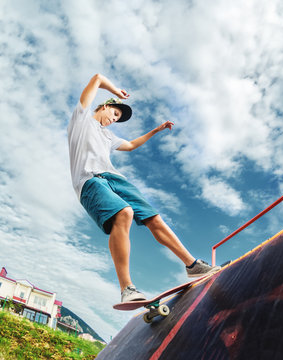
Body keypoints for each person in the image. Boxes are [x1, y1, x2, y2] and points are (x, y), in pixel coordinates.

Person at [67, 73, 220, 303]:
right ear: (106, 106)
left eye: (118, 119)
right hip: (89, 181)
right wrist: (116, 92)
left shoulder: (108, 137)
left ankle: (193, 265)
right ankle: (127, 289)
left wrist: (156, 131)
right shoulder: (81, 119)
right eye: (114, 113)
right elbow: (97, 78)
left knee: (153, 217)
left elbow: (129, 146)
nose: (114, 120)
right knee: (124, 213)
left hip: (114, 178)